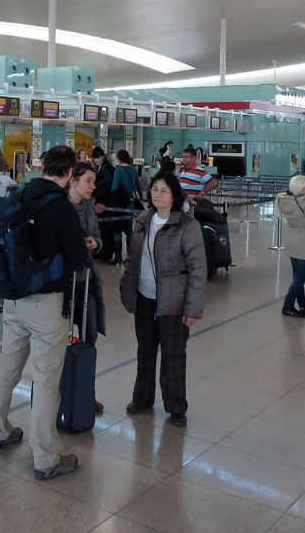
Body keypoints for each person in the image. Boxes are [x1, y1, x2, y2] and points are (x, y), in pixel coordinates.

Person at [0, 145, 90, 481]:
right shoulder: (61, 208)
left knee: (6, 367)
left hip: (14, 299)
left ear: (43, 166)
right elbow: (77, 260)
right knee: (46, 380)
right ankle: (45, 458)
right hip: (46, 303)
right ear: (70, 173)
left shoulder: (20, 194)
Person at [120, 172, 206, 428]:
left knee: (173, 356)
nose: (158, 194)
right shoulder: (142, 221)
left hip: (173, 302)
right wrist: (127, 286)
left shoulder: (187, 226)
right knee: (145, 352)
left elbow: (198, 270)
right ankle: (142, 399)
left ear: (174, 195)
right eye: (155, 189)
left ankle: (176, 406)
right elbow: (132, 260)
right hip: (144, 299)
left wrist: (193, 308)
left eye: (164, 190)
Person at [67, 161, 105, 414]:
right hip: (65, 282)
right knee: (62, 340)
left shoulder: (89, 207)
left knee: (89, 336)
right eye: (88, 181)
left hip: (87, 279)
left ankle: (85, 393)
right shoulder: (60, 208)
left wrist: (95, 243)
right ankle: (63, 391)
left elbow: (98, 237)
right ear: (73, 181)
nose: (92, 186)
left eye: (93, 181)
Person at [275, 175, 305, 317]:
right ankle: (288, 305)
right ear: (304, 189)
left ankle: (303, 304)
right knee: (299, 279)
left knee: (298, 276)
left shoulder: (285, 201)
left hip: (293, 242)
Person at [109, 149, 142, 264]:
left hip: (119, 204)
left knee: (117, 229)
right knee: (129, 230)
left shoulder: (118, 170)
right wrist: (140, 198)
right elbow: (138, 186)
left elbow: (114, 187)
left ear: (119, 159)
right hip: (130, 203)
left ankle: (118, 257)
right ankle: (129, 257)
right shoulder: (133, 170)